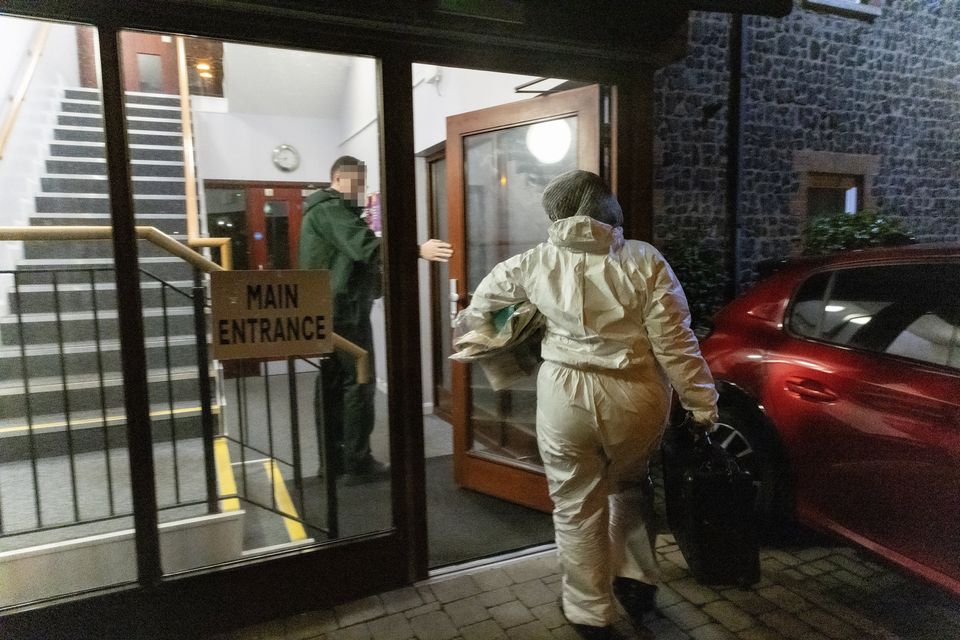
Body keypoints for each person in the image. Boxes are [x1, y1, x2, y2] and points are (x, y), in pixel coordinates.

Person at [454, 170, 717, 639]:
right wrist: (701, 403)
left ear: (554, 213)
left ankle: (590, 613)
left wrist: (516, 321)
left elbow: (479, 312)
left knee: (576, 505)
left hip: (564, 394)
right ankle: (636, 587)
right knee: (631, 488)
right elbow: (675, 342)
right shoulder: (644, 259)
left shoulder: (533, 263)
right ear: (607, 207)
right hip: (637, 395)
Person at [299, 155, 452, 484]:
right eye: (355, 182)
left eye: (364, 183)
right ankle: (355, 462)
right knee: (359, 383)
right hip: (344, 314)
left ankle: (334, 463)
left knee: (332, 386)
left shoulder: (327, 211)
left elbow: (354, 258)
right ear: (337, 179)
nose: (360, 189)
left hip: (334, 311)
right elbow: (366, 248)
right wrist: (417, 250)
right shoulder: (330, 210)